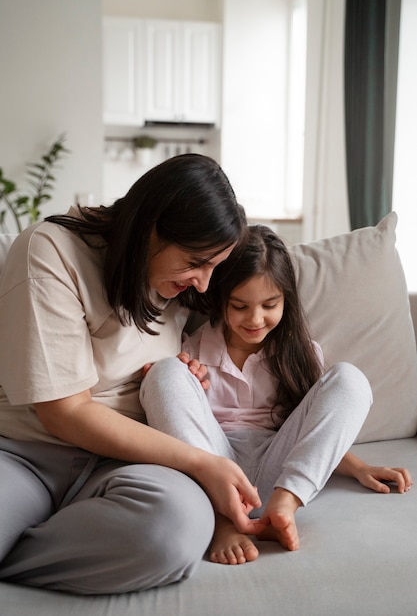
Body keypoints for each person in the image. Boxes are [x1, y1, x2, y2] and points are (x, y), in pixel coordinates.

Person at [0, 154, 266, 595]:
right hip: (27, 453)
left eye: (214, 266)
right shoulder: (49, 251)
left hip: (127, 461)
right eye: (196, 262)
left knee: (172, 531)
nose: (204, 282)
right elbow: (64, 412)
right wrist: (202, 463)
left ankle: (23, 550)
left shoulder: (183, 287)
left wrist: (185, 378)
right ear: (149, 227)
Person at [139, 224, 412, 565]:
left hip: (277, 469)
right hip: (213, 467)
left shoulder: (300, 353)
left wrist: (358, 467)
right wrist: (174, 380)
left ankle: (286, 503)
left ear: (286, 300)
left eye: (270, 304)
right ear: (220, 300)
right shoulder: (194, 350)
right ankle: (225, 520)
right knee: (165, 372)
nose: (255, 319)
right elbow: (181, 421)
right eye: (239, 306)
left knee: (350, 379)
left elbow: (313, 430)